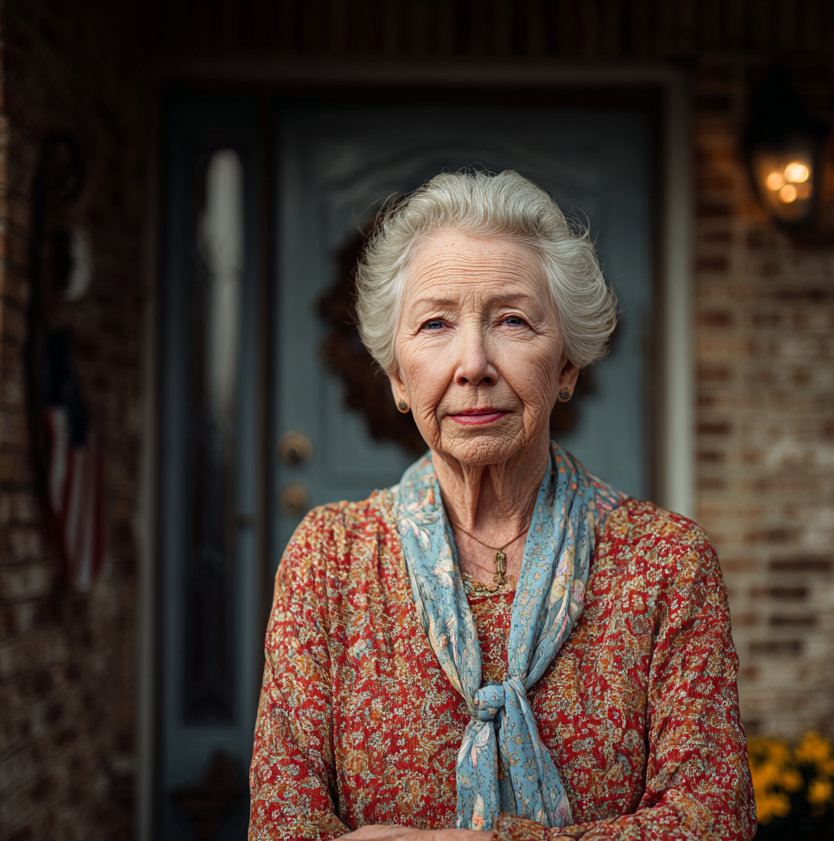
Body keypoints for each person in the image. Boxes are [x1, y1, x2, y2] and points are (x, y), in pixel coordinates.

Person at [248, 170, 755, 841]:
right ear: (397, 375)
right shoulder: (330, 559)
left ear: (567, 365)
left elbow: (712, 822)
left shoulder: (663, 562)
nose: (473, 362)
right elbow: (282, 824)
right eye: (434, 323)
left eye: (511, 320)